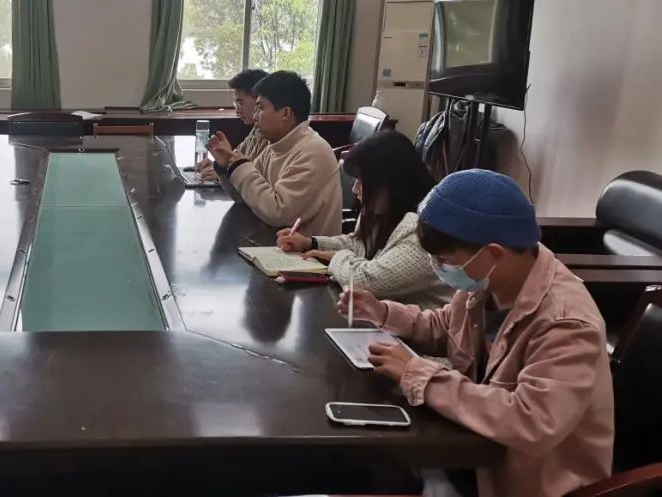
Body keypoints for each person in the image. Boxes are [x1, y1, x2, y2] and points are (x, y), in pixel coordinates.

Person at [339, 169, 613, 497]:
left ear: (494, 252)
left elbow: (532, 420)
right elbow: (444, 327)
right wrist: (383, 312)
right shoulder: (487, 283)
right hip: (473, 458)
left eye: (444, 259)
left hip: (526, 483)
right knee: (361, 468)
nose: (439, 268)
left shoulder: (567, 323)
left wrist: (419, 375)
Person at [276, 131, 452, 308]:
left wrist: (336, 257)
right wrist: (310, 243)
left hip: (415, 324)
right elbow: (359, 243)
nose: (355, 189)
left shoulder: (422, 231)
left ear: (389, 183)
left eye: (362, 181)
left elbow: (366, 282)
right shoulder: (383, 210)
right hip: (381, 317)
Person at [205, 70, 341, 233]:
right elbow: (244, 196)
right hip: (272, 242)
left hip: (302, 249)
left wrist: (239, 166)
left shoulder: (313, 152)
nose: (255, 117)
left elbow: (277, 212)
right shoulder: (276, 145)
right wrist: (224, 167)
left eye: (260, 108)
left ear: (285, 113)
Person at [196, 68, 270, 181]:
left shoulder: (271, 134)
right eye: (236, 104)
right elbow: (235, 160)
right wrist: (218, 165)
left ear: (259, 99)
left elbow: (256, 177)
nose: (237, 111)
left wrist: (224, 174)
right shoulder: (256, 130)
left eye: (240, 103)